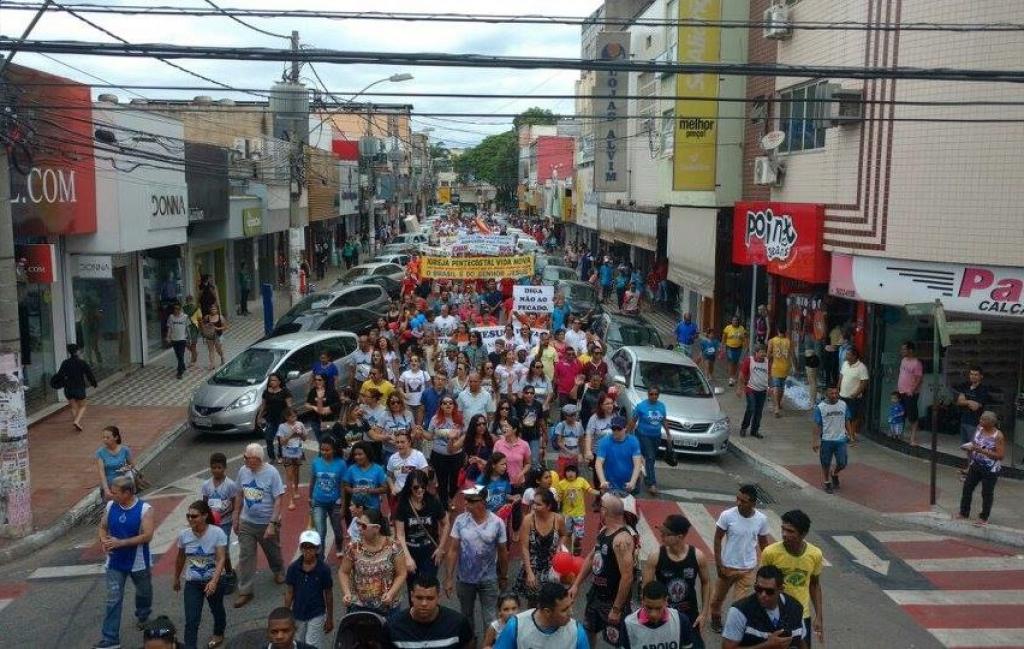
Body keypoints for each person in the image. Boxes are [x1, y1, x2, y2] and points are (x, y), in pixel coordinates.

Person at [95, 476, 154, 649]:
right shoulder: (111, 506)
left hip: (138, 562)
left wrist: (121, 543)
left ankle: (143, 615)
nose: (111, 495)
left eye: (115, 493)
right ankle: (110, 638)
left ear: (127, 492)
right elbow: (102, 527)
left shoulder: (144, 509)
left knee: (144, 593)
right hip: (115, 562)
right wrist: (104, 541)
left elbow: (147, 536)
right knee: (113, 599)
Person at [569, 493, 636, 649]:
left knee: (618, 641)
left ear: (605, 511)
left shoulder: (622, 540)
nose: (599, 510)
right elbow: (592, 557)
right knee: (588, 630)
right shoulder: (604, 531)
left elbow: (627, 577)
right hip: (596, 595)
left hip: (612, 600)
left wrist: (617, 609)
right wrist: (576, 584)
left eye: (601, 507)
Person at [445, 485, 510, 635]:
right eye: (466, 500)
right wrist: (448, 578)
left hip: (489, 578)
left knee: (490, 619)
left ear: (482, 502)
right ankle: (470, 643)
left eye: (470, 500)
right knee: (466, 617)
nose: (466, 503)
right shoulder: (460, 521)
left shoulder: (497, 522)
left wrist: (504, 576)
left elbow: (502, 551)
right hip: (465, 579)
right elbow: (453, 550)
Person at [643, 514, 711, 648]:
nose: (661, 536)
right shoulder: (655, 556)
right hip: (662, 615)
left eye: (666, 534)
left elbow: (706, 582)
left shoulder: (698, 556)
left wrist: (704, 613)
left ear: (680, 537)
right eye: (661, 532)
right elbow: (646, 589)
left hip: (690, 616)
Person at [709, 485, 771, 633]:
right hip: (727, 567)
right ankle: (716, 619)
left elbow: (764, 544)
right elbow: (718, 539)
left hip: (748, 570)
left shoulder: (761, 519)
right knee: (716, 601)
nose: (739, 503)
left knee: (739, 605)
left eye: (743, 501)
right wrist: (719, 567)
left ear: (753, 503)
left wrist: (769, 566)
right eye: (738, 499)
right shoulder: (727, 515)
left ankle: (733, 630)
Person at [231, 443, 285, 609]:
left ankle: (278, 570)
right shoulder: (243, 471)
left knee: (273, 551)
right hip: (247, 521)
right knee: (246, 555)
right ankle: (245, 590)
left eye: (247, 458)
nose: (244, 460)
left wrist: (272, 523)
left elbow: (278, 499)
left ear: (257, 459)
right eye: (244, 457)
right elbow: (239, 493)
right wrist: (236, 515)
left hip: (267, 522)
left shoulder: (272, 473)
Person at [761, 510, 825, 647]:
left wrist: (819, 617)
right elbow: (761, 586)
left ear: (803, 534)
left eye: (790, 531)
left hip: (802, 615)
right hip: (774, 613)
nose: (784, 534)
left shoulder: (815, 555)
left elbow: (814, 585)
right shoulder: (770, 553)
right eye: (783, 529)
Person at [173, 500, 227, 649]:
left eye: (194, 516)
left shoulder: (217, 533)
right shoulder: (184, 535)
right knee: (191, 619)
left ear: (204, 516)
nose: (190, 519)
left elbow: (221, 558)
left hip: (214, 580)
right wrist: (176, 578)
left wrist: (214, 582)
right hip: (193, 583)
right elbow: (180, 558)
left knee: (217, 610)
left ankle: (218, 633)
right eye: (188, 516)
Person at [394, 469, 450, 599]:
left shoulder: (433, 502)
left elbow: (445, 523)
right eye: (416, 487)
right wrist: (407, 558)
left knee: (428, 585)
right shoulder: (403, 505)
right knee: (413, 587)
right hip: (410, 549)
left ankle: (430, 613)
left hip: (429, 550)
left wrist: (441, 548)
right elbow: (400, 534)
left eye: (423, 487)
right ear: (409, 487)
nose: (420, 490)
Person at [721, 565, 807, 648]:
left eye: (769, 591)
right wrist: (767, 645)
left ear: (781, 589)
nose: (763, 595)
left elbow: (801, 641)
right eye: (758, 589)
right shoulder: (739, 611)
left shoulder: (795, 608)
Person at [340, 509, 407, 615]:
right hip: (360, 607)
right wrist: (347, 593)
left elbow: (401, 573)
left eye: (363, 526)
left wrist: (391, 594)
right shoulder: (353, 547)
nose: (359, 528)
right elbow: (344, 572)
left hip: (388, 608)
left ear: (376, 528)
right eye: (358, 524)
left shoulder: (394, 546)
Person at [385, 574, 476, 649]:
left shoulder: (458, 623)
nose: (424, 603)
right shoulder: (393, 626)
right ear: (412, 596)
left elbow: (469, 645)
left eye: (430, 598)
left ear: (438, 597)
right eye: (419, 598)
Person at [514, 490, 569, 608]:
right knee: (533, 604)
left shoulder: (558, 519)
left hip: (552, 568)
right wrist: (529, 573)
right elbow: (524, 547)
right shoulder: (528, 520)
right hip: (533, 568)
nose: (534, 506)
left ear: (548, 506)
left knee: (552, 603)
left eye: (538, 504)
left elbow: (564, 534)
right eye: (533, 503)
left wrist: (560, 545)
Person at [494, 582, 589, 649]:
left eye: (570, 606)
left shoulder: (576, 632)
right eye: (564, 610)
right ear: (547, 612)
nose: (571, 612)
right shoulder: (516, 626)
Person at [284, 530, 334, 649]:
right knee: (298, 643)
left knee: (313, 645)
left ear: (318, 549)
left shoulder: (324, 570)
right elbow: (289, 592)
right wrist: (286, 615)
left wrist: (330, 618)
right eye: (304, 547)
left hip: (316, 613)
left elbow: (328, 593)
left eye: (311, 547)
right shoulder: (293, 568)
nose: (307, 550)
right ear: (301, 548)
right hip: (297, 613)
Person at [958, 411, 1005, 527]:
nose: (980, 422)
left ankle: (984, 517)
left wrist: (981, 451)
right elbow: (975, 442)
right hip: (976, 464)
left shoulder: (998, 436)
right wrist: (969, 447)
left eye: (983, 420)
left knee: (987, 493)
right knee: (967, 487)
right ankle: (964, 512)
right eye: (980, 419)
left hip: (990, 469)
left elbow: (1000, 455)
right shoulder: (979, 428)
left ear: (991, 423)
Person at [622, 581, 695, 649]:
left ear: (666, 601)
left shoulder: (681, 621)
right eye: (649, 608)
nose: (653, 614)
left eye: (658, 608)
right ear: (642, 601)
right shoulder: (629, 625)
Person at [627, 386, 670, 496]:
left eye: (656, 394)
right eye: (651, 394)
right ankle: (652, 484)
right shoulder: (641, 406)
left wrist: (668, 434)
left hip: (656, 436)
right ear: (648, 394)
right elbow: (633, 421)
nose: (654, 396)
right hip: (643, 435)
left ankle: (645, 478)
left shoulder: (661, 406)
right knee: (650, 457)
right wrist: (628, 435)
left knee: (650, 459)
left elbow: (664, 420)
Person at [201, 452, 238, 578]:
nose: (216, 470)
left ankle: (229, 572)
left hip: (225, 523)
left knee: (224, 550)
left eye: (219, 468)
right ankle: (213, 572)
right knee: (211, 549)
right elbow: (204, 502)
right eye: (214, 468)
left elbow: (234, 504)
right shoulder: (206, 485)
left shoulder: (230, 485)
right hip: (211, 523)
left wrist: (222, 514)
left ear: (224, 468)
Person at [309, 437, 347, 560]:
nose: (325, 452)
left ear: (334, 450)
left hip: (335, 502)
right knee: (320, 532)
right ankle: (320, 558)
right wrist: (310, 497)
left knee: (338, 530)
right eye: (322, 450)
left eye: (327, 450)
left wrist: (343, 506)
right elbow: (313, 480)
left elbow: (343, 485)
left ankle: (339, 545)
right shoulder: (316, 462)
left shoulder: (341, 463)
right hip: (318, 502)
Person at [425, 396, 465, 510]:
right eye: (444, 403)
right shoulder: (435, 419)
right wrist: (421, 432)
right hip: (439, 456)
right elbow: (430, 436)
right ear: (441, 406)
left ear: (454, 405)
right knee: (442, 482)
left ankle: (451, 499)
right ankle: (443, 505)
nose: (448, 405)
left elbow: (464, 436)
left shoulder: (460, 419)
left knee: (454, 482)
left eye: (450, 403)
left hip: (456, 456)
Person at [812, 387, 852, 494]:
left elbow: (847, 420)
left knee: (842, 463)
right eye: (831, 393)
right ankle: (827, 482)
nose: (834, 395)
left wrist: (851, 435)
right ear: (826, 394)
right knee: (825, 463)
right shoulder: (820, 408)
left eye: (836, 393)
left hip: (840, 440)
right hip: (826, 440)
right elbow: (817, 425)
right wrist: (815, 441)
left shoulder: (843, 405)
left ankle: (834, 473)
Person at [55, 343, 98, 431]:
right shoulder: (82, 362)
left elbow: (60, 375)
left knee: (73, 407)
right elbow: (89, 374)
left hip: (68, 388)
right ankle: (77, 421)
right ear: (77, 351)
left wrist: (58, 383)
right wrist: (94, 383)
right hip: (79, 387)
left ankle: (76, 421)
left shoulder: (65, 363)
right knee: (83, 406)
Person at [595, 416, 643, 494]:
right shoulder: (604, 442)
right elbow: (598, 463)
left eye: (619, 429)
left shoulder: (633, 441)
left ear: (625, 428)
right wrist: (602, 481)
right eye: (613, 429)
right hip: (611, 485)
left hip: (629, 484)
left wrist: (632, 482)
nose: (616, 431)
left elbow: (637, 464)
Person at [343, 441, 389, 512]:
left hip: (372, 509)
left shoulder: (378, 469)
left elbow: (385, 488)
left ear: (367, 454)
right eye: (355, 455)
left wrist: (370, 490)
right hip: (356, 508)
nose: (357, 457)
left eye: (360, 454)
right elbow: (346, 486)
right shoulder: (351, 469)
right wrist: (353, 490)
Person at [256, 372, 293, 463]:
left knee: (281, 440)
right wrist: (259, 417)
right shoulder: (266, 392)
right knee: (268, 438)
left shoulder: (285, 392)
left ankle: (281, 455)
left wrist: (291, 419)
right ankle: (272, 457)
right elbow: (263, 406)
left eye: (274, 380)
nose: (271, 382)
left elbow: (289, 407)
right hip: (270, 419)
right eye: (270, 380)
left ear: (279, 382)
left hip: (282, 419)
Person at [276, 408, 307, 509]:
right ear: (286, 417)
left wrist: (300, 433)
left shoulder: (300, 424)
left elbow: (304, 438)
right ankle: (290, 499)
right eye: (292, 416)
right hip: (287, 454)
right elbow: (282, 442)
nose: (294, 418)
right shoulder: (282, 427)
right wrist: (291, 434)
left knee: (296, 473)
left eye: (295, 416)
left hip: (298, 452)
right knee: (289, 476)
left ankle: (296, 489)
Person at [837, 347, 869, 444]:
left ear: (854, 356)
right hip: (843, 395)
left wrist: (856, 393)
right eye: (846, 354)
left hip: (853, 397)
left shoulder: (862, 367)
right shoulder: (845, 364)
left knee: (853, 417)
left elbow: (864, 382)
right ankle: (847, 434)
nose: (846, 356)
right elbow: (841, 376)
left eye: (848, 355)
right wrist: (837, 388)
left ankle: (852, 434)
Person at [737, 344, 770, 439]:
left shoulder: (767, 362)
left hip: (762, 390)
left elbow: (769, 376)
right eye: (761, 352)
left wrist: (769, 387)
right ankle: (744, 428)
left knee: (759, 412)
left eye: (764, 352)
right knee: (751, 408)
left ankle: (754, 430)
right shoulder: (749, 361)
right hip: (751, 389)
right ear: (756, 353)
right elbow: (741, 375)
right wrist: (740, 388)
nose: (763, 354)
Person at [956, 366, 991, 445]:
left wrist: (965, 401)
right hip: (964, 421)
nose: (973, 376)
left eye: (976, 374)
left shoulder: (983, 390)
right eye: (971, 374)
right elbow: (959, 402)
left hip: (975, 423)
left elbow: (975, 407)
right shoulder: (965, 386)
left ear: (981, 376)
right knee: (966, 446)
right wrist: (970, 401)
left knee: (975, 447)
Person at [896, 341, 923, 445]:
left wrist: (912, 390)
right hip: (901, 391)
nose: (902, 351)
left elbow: (919, 379)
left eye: (904, 349)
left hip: (910, 393)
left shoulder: (916, 363)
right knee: (901, 413)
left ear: (910, 350)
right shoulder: (903, 360)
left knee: (912, 416)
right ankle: (899, 434)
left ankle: (913, 438)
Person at [96, 425, 132, 500]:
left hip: (123, 486)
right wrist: (106, 490)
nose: (105, 440)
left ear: (116, 437)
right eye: (103, 437)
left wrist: (125, 468)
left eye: (107, 437)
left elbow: (131, 465)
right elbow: (101, 472)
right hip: (110, 486)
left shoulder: (125, 450)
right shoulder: (100, 453)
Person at [767, 326, 793, 417]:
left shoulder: (772, 341)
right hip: (785, 367)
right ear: (786, 331)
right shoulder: (789, 341)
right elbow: (792, 355)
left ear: (777, 330)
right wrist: (795, 366)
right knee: (781, 386)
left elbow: (768, 355)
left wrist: (773, 355)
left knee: (776, 387)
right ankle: (778, 403)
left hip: (776, 367)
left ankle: (777, 407)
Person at [165, 302, 190, 379]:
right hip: (174, 339)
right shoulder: (171, 317)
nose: (176, 310)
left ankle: (179, 372)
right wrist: (168, 337)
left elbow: (188, 328)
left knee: (181, 354)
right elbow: (169, 328)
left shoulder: (185, 317)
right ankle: (183, 365)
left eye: (178, 309)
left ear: (180, 309)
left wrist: (189, 338)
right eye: (175, 309)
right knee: (178, 355)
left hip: (182, 339)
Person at [200, 304, 227, 370]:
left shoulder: (220, 317)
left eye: (214, 309)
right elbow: (202, 324)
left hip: (218, 335)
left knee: (218, 349)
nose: (213, 310)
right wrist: (206, 326)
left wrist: (217, 328)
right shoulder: (207, 317)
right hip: (209, 335)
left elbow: (225, 327)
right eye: (212, 309)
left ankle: (222, 356)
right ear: (210, 310)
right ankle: (212, 364)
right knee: (211, 350)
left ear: (217, 310)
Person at [722, 317, 747, 387]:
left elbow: (744, 339)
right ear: (731, 321)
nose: (735, 322)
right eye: (733, 320)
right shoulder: (728, 328)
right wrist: (722, 346)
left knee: (736, 362)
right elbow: (724, 337)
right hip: (729, 348)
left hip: (738, 348)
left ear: (738, 321)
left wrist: (746, 347)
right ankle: (731, 378)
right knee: (731, 362)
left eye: (736, 320)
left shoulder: (741, 328)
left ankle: (734, 376)